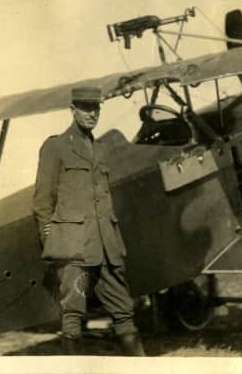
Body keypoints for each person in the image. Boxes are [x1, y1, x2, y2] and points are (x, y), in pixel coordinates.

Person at [32, 86, 145, 356]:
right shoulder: (56, 147)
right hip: (74, 249)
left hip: (107, 247)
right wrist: (54, 243)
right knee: (72, 315)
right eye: (85, 108)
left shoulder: (101, 149)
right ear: (73, 110)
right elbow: (42, 203)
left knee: (124, 311)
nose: (92, 114)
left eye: (96, 108)